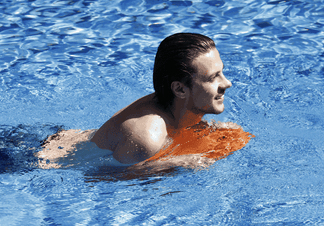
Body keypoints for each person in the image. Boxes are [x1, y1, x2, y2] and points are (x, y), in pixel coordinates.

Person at [39, 33, 254, 169]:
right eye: (212, 78)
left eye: (222, 73)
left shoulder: (175, 107)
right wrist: (176, 163)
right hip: (36, 160)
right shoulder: (146, 138)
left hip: (60, 138)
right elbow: (98, 176)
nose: (227, 84)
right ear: (179, 89)